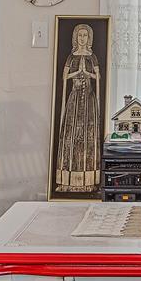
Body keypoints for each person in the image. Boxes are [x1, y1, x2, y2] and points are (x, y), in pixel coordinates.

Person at [53, 24, 102, 193]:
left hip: (88, 99)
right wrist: (78, 73)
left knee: (88, 136)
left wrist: (88, 74)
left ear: (89, 38)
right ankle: (67, 179)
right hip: (74, 99)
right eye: (80, 35)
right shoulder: (71, 57)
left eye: (85, 35)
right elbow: (64, 76)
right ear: (76, 37)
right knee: (71, 135)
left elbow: (98, 76)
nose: (82, 38)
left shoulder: (92, 57)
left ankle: (88, 180)